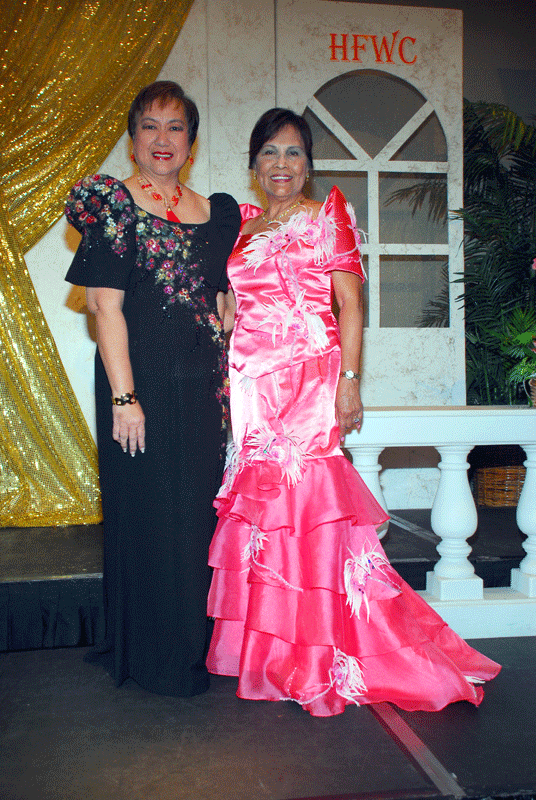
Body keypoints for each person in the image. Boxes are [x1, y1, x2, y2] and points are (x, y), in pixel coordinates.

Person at [206, 108, 500, 716]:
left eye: (292, 152)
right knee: (265, 518)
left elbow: (350, 304)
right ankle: (272, 654)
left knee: (308, 511)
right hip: (252, 387)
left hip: (308, 380)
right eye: (269, 153)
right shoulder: (243, 224)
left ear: (308, 163)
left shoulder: (328, 216)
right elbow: (238, 300)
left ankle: (320, 655)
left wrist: (350, 381)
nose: (281, 164)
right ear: (254, 164)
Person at [65, 81, 240, 697]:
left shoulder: (218, 213)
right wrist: (124, 397)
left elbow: (222, 294)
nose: (162, 139)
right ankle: (154, 655)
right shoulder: (114, 206)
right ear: (133, 138)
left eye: (175, 127)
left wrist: (230, 316)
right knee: (147, 516)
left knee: (195, 518)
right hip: (137, 387)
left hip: (202, 388)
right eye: (150, 126)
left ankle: (193, 646)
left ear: (192, 141)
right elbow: (103, 307)